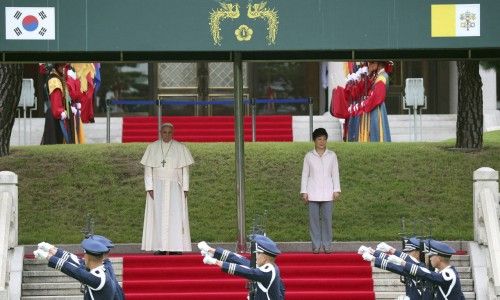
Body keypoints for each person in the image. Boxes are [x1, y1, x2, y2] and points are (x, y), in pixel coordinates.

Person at [140, 123, 194, 255]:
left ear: (173, 133)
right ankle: (160, 247)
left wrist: (185, 187)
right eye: (165, 132)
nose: (167, 135)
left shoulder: (180, 148)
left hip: (175, 186)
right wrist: (149, 187)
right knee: (157, 216)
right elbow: (148, 170)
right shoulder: (152, 147)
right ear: (160, 132)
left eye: (170, 132)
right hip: (157, 186)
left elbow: (184, 171)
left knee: (175, 217)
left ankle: (176, 247)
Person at [363, 239, 465, 300]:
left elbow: (424, 272)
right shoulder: (438, 272)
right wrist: (376, 254)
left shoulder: (449, 275)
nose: (429, 258)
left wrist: (401, 262)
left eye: (432, 255)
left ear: (439, 258)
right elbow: (412, 264)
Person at [198, 234, 285, 300]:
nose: (255, 257)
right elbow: (239, 259)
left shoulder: (268, 271)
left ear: (264, 256)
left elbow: (245, 271)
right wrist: (212, 251)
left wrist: (215, 262)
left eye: (257, 254)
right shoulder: (269, 267)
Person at [34, 238, 119, 299]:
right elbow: (77, 262)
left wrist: (48, 256)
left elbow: (75, 271)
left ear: (87, 257)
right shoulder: (102, 269)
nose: (83, 258)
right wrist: (53, 250)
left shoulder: (99, 277)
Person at [300, 128, 341, 253]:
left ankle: (327, 245)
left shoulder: (332, 155)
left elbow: (335, 174)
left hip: (328, 193)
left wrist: (336, 190)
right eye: (319, 139)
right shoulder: (308, 156)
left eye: (324, 139)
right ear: (314, 141)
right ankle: (316, 245)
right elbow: (305, 175)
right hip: (312, 193)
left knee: (327, 220)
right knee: (314, 222)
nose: (322, 142)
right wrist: (304, 192)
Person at [359, 237, 433, 299]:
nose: (407, 254)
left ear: (417, 252)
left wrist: (374, 258)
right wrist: (373, 252)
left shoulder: (421, 267)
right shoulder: (414, 265)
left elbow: (394, 266)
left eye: (409, 251)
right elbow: (393, 261)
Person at [41, 63, 86, 144]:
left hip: (60, 112)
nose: (63, 68)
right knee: (56, 141)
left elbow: (65, 97)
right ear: (57, 66)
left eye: (64, 66)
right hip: (56, 115)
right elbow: (56, 98)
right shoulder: (54, 80)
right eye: (61, 66)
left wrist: (68, 107)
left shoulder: (60, 77)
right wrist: (60, 111)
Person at [349, 61, 392, 142]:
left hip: (377, 109)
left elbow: (376, 97)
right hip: (374, 107)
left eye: (372, 62)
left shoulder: (382, 77)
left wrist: (362, 105)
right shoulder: (377, 76)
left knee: (376, 133)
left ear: (378, 64)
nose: (369, 65)